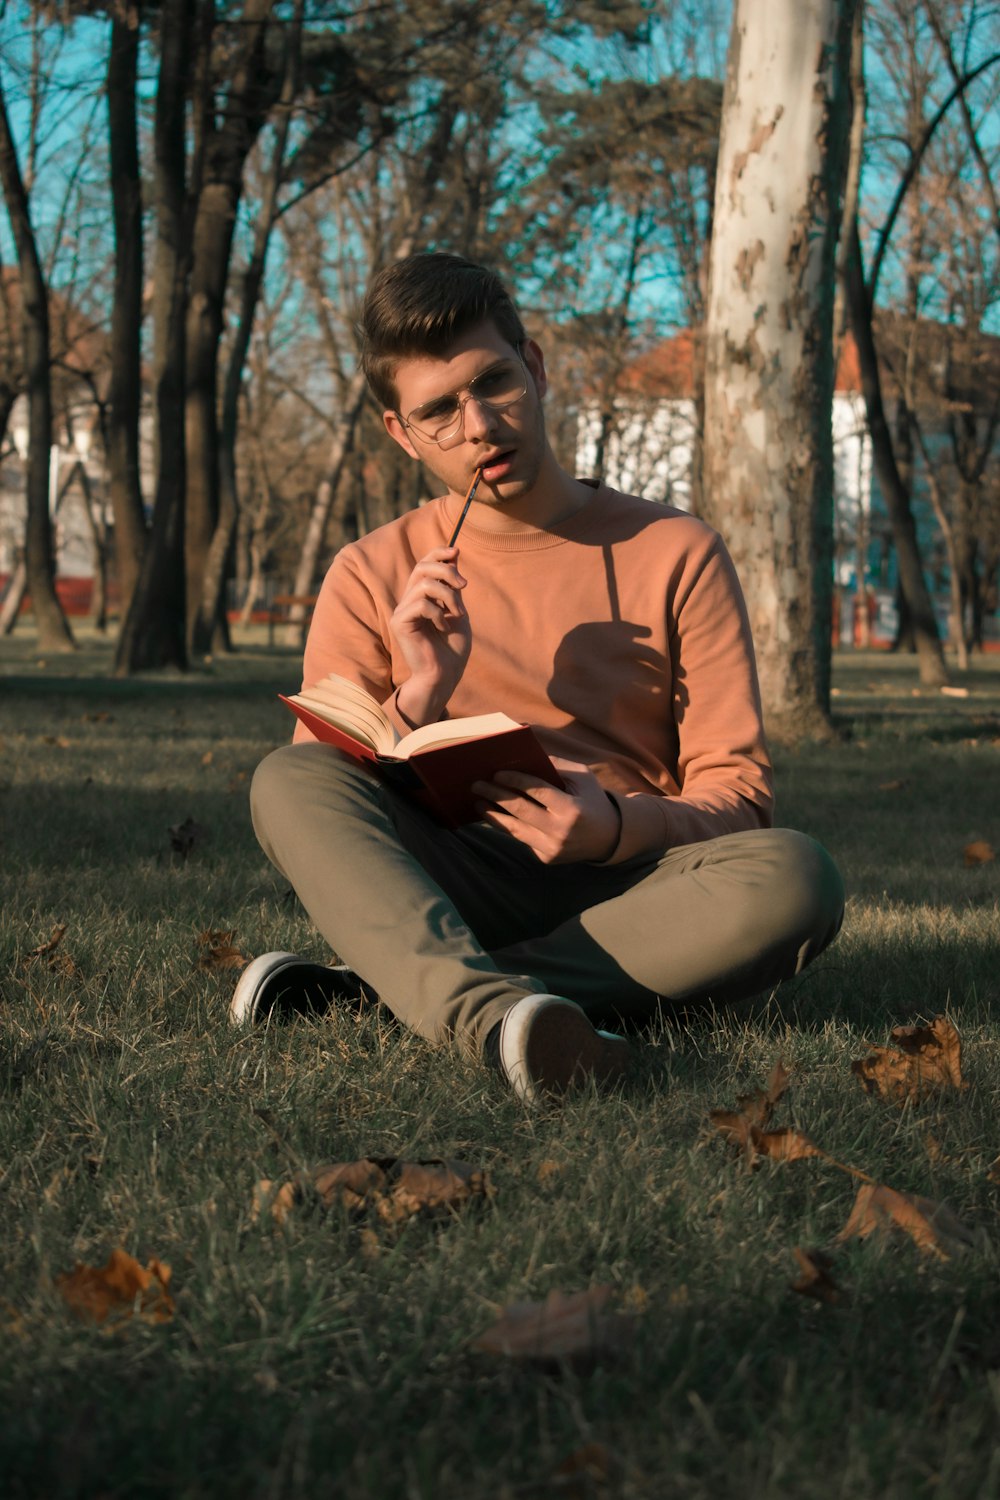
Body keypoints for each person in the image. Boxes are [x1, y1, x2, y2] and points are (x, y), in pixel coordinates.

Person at [232, 251, 845, 1104]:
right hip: (456, 882)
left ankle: (396, 997)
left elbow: (739, 801)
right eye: (439, 412)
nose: (479, 425)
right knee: (286, 776)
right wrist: (417, 697)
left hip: (636, 893)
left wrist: (614, 827)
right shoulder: (372, 572)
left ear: (537, 369)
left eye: (494, 382)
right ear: (400, 434)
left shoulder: (676, 552)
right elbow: (323, 805)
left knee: (798, 876)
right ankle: (498, 1022)